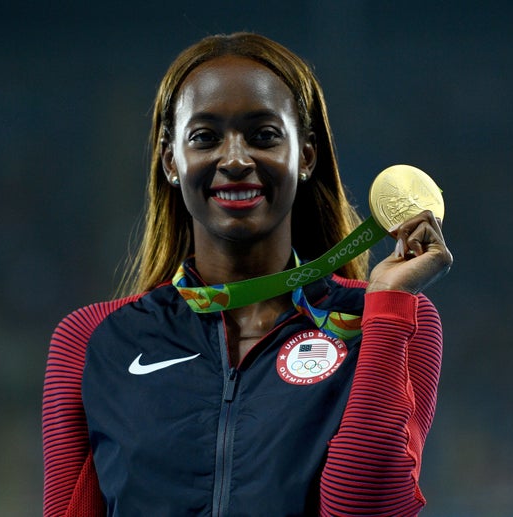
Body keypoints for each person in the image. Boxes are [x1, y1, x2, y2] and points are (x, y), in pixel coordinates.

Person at [42, 32, 453, 517]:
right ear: (171, 160)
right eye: (205, 137)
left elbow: (368, 509)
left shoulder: (388, 320)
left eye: (263, 136)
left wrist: (387, 309)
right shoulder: (93, 340)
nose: (235, 159)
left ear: (307, 156)